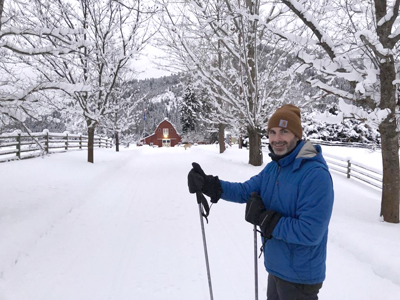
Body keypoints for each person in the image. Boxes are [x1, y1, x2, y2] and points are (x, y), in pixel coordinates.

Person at [188, 104, 334, 300]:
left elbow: (311, 232)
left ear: (297, 135)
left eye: (284, 132)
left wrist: (266, 220)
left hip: (300, 279)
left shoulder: (315, 175)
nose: (277, 139)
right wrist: (209, 185)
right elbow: (244, 191)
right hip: (276, 268)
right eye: (272, 132)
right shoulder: (275, 168)